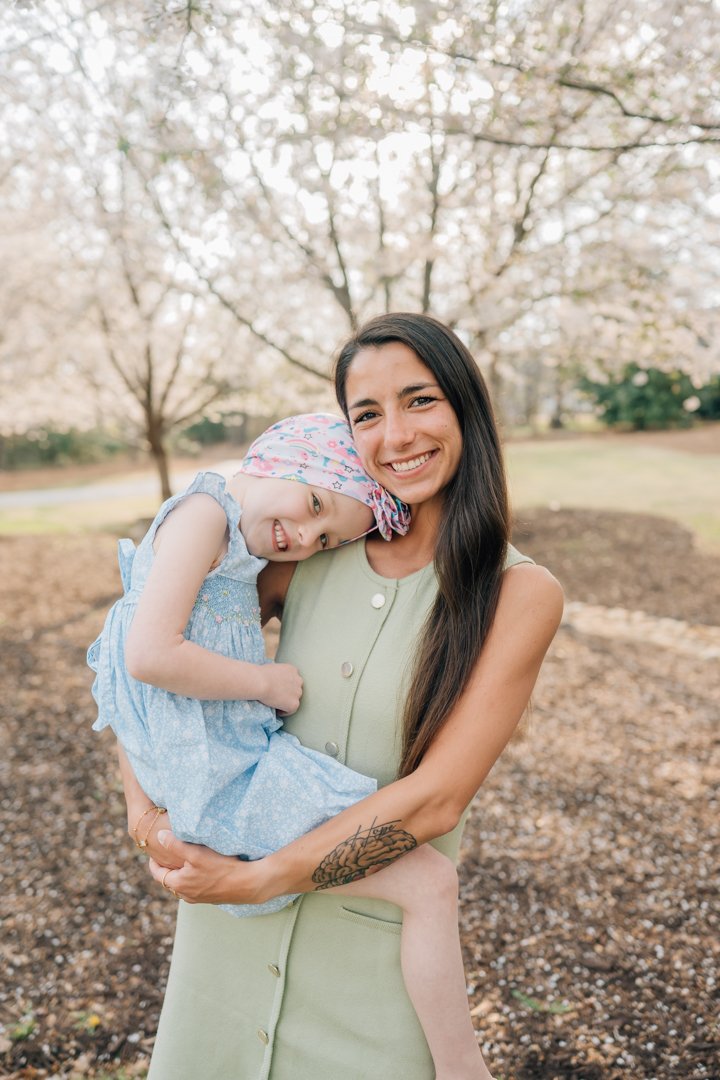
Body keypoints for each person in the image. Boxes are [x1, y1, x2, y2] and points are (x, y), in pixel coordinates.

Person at [117, 313, 564, 1080]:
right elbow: (149, 652)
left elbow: (437, 801)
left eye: (419, 401)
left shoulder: (519, 594)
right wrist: (145, 815)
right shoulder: (309, 542)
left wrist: (260, 876)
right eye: (367, 414)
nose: (397, 435)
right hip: (226, 953)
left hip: (373, 970)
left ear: (465, 406)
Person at [89, 412, 496, 1078]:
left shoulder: (238, 550)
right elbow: (146, 656)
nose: (305, 538)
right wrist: (263, 681)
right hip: (227, 783)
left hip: (215, 775)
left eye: (325, 536)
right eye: (314, 506)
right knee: (429, 881)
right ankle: (463, 1069)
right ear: (277, 460)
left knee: (421, 873)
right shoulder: (203, 514)